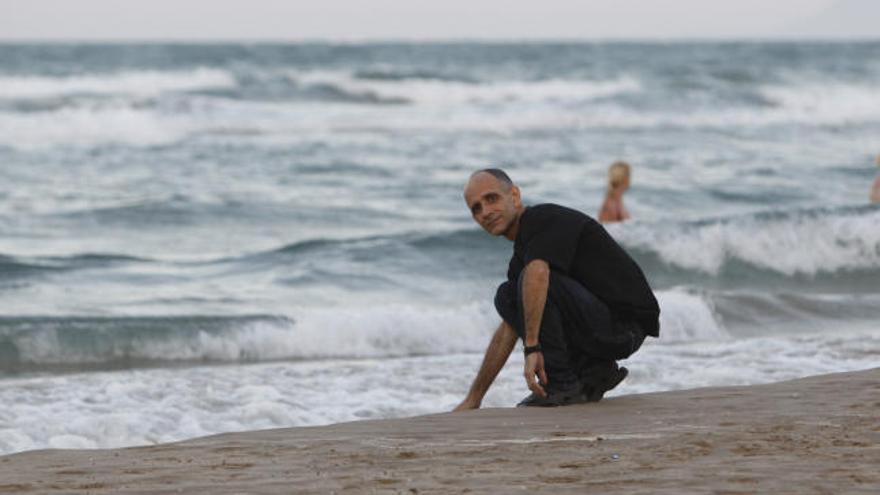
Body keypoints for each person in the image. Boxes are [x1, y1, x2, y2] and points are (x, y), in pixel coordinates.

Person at [454, 169, 660, 410]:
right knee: (511, 296)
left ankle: (563, 384)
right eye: (476, 208)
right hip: (604, 328)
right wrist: (474, 398)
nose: (485, 212)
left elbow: (539, 274)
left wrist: (532, 348)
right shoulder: (523, 256)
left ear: (515, 196)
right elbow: (507, 330)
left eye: (491, 199)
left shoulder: (542, 220)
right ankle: (591, 375)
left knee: (523, 286)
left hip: (624, 327)